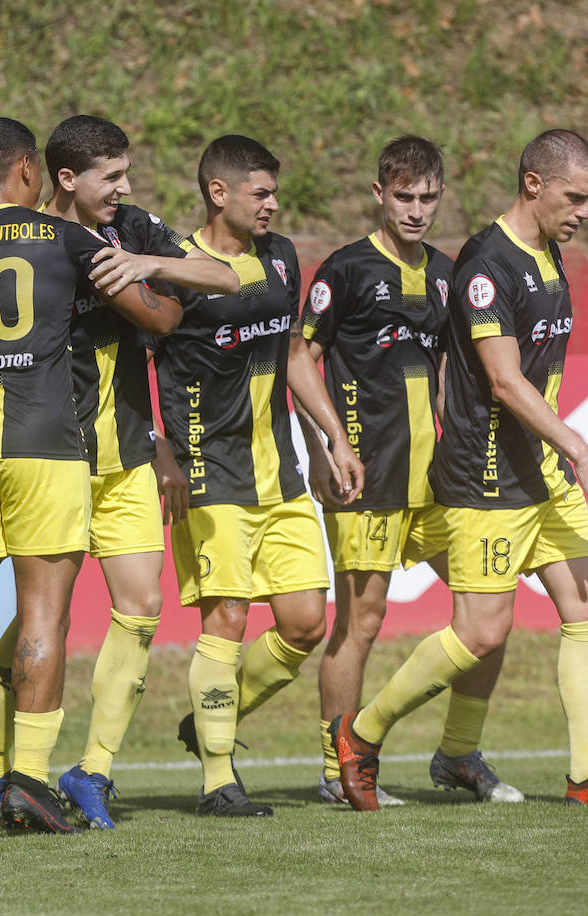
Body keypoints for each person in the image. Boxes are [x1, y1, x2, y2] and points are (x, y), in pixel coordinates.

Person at [331, 129, 588, 810]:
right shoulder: (488, 265)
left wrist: (560, 456)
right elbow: (505, 383)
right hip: (486, 473)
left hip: (540, 471)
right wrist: (584, 451)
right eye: (574, 198)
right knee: (483, 631)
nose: (583, 212)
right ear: (534, 185)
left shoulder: (548, 255)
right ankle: (360, 735)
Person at [0, 114, 234, 830]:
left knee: (142, 606)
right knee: (37, 617)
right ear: (64, 178)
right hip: (48, 453)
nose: (126, 189)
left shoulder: (135, 228)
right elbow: (159, 323)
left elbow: (223, 274)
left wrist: (153, 265)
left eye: (127, 174)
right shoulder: (32, 239)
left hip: (123, 453)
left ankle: (92, 769)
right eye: (111, 178)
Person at [300, 136, 522, 806]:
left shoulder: (453, 274)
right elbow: (301, 363)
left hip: (441, 480)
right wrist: (323, 448)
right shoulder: (344, 271)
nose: (417, 209)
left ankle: (458, 754)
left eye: (429, 197)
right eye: (404, 196)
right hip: (366, 479)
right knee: (359, 623)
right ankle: (339, 768)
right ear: (378, 194)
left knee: (488, 613)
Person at [153, 135, 363, 816]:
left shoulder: (280, 257)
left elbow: (295, 354)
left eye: (275, 192)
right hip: (212, 473)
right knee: (228, 618)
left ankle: (212, 717)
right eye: (261, 192)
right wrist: (160, 450)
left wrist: (334, 434)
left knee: (305, 623)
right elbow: (133, 367)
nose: (274, 204)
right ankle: (218, 779)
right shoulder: (177, 268)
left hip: (283, 474)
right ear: (219, 193)